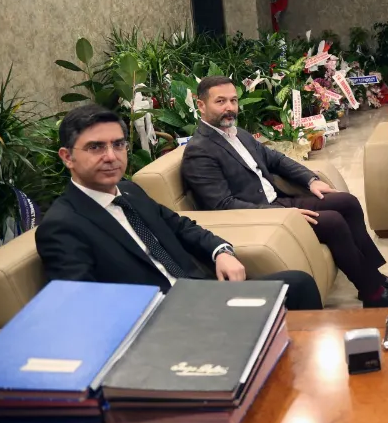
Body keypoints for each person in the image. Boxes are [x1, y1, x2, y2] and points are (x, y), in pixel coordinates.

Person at [35, 105, 324, 310]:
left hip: (204, 294)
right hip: (164, 321)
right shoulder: (63, 225)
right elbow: (85, 307)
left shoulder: (130, 192)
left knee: (298, 285)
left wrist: (221, 252)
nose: (111, 156)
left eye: (118, 145)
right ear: (67, 157)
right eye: (96, 147)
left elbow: (180, 225)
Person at [181, 76, 388, 309]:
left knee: (347, 202)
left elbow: (276, 160)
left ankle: (374, 278)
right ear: (201, 105)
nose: (230, 107)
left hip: (278, 200)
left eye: (233, 100)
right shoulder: (200, 151)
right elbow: (223, 204)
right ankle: (373, 293)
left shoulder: (238, 133)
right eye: (220, 101)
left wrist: (311, 180)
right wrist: (282, 215)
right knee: (332, 222)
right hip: (260, 216)